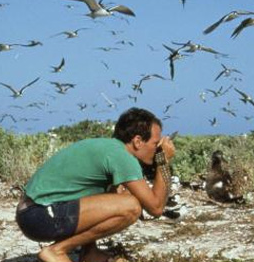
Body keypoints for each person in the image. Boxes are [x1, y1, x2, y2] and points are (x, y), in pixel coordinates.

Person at [15, 108, 176, 262]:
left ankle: (90, 254)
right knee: (131, 206)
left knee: (118, 196)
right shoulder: (122, 156)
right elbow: (155, 208)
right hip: (39, 215)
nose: (157, 149)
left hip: (32, 214)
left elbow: (102, 199)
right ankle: (56, 251)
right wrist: (162, 161)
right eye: (156, 144)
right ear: (138, 141)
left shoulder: (109, 148)